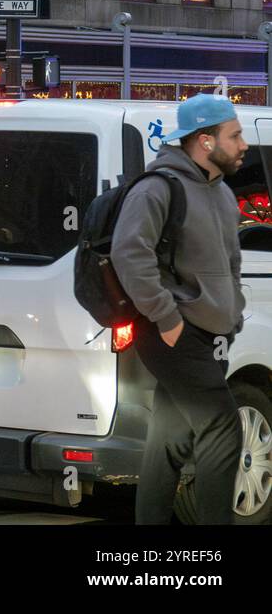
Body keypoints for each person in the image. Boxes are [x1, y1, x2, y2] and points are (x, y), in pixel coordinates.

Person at [111, 94, 247, 525]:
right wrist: (165, 317)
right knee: (223, 426)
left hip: (208, 332)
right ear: (205, 141)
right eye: (235, 135)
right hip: (171, 330)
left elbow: (230, 261)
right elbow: (128, 253)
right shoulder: (159, 188)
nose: (243, 144)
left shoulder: (222, 193)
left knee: (169, 440)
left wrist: (234, 312)